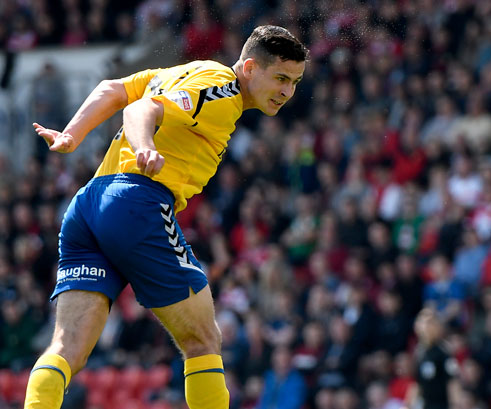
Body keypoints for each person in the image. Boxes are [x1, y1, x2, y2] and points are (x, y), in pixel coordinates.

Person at [24, 25, 308, 409]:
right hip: (135, 202)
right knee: (203, 341)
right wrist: (143, 146)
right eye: (280, 78)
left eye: (294, 82)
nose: (287, 92)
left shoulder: (188, 70)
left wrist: (72, 137)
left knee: (66, 349)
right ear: (250, 67)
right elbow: (140, 108)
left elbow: (113, 89)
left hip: (88, 205)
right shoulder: (222, 90)